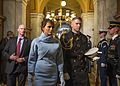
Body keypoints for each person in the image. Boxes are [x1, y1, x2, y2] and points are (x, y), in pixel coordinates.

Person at [28, 19, 65, 86]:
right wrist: (30, 77)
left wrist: (61, 76)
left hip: (52, 74)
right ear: (43, 28)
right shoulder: (36, 41)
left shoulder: (57, 42)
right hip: (39, 74)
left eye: (52, 27)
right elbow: (32, 60)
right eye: (49, 27)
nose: (51, 29)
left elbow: (60, 60)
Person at [60, 17, 90, 86]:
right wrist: (65, 71)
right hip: (70, 69)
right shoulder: (65, 37)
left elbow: (85, 52)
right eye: (76, 24)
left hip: (82, 70)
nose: (78, 25)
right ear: (71, 24)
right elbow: (63, 56)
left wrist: (91, 56)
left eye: (80, 24)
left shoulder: (84, 37)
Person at [107, 21, 120, 86]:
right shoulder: (112, 40)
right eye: (109, 28)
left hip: (115, 69)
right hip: (110, 68)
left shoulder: (118, 41)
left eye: (111, 28)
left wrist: (119, 71)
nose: (109, 29)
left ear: (116, 29)